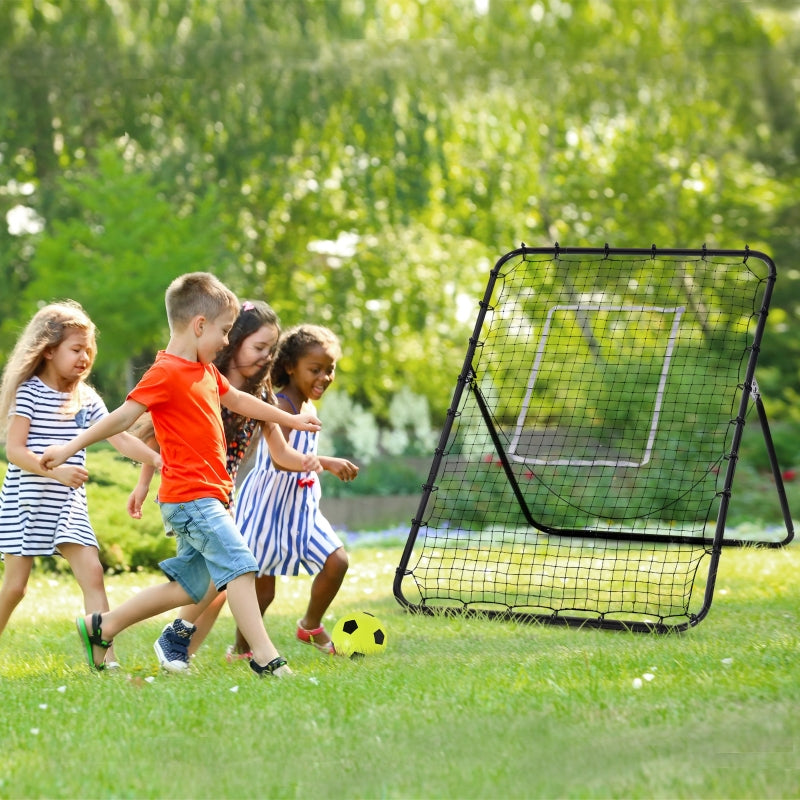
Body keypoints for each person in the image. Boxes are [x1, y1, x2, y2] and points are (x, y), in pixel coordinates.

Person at [40, 272, 322, 679]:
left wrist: (287, 417)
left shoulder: (204, 371)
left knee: (189, 588)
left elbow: (240, 399)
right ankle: (265, 656)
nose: (227, 341)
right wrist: (68, 448)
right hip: (191, 498)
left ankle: (104, 626)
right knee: (240, 565)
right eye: (224, 331)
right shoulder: (167, 372)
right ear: (199, 325)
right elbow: (121, 417)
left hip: (209, 496)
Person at [126, 300, 321, 671]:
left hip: (220, 491)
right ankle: (248, 656)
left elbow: (281, 454)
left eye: (271, 350)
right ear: (236, 341)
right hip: (191, 490)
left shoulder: (259, 396)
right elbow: (157, 436)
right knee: (229, 573)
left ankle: (167, 644)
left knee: (210, 584)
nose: (266, 357)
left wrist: (317, 461)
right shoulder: (201, 376)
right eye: (259, 347)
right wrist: (142, 483)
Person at [0, 301, 161, 669]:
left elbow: (119, 436)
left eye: (89, 350)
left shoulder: (85, 397)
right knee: (16, 587)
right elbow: (15, 451)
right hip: (26, 500)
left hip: (67, 504)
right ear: (49, 350)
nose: (85, 357)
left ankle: (105, 659)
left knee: (93, 573)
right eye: (76, 349)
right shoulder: (30, 392)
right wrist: (55, 472)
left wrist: (154, 459)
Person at [231, 324, 359, 657]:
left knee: (337, 562)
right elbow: (279, 460)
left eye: (329, 370)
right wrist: (327, 462)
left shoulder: (307, 408)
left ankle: (310, 624)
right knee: (263, 591)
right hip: (267, 506)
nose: (324, 377)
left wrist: (319, 465)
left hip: (301, 508)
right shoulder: (282, 405)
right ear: (290, 366)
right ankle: (242, 649)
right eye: (315, 370)